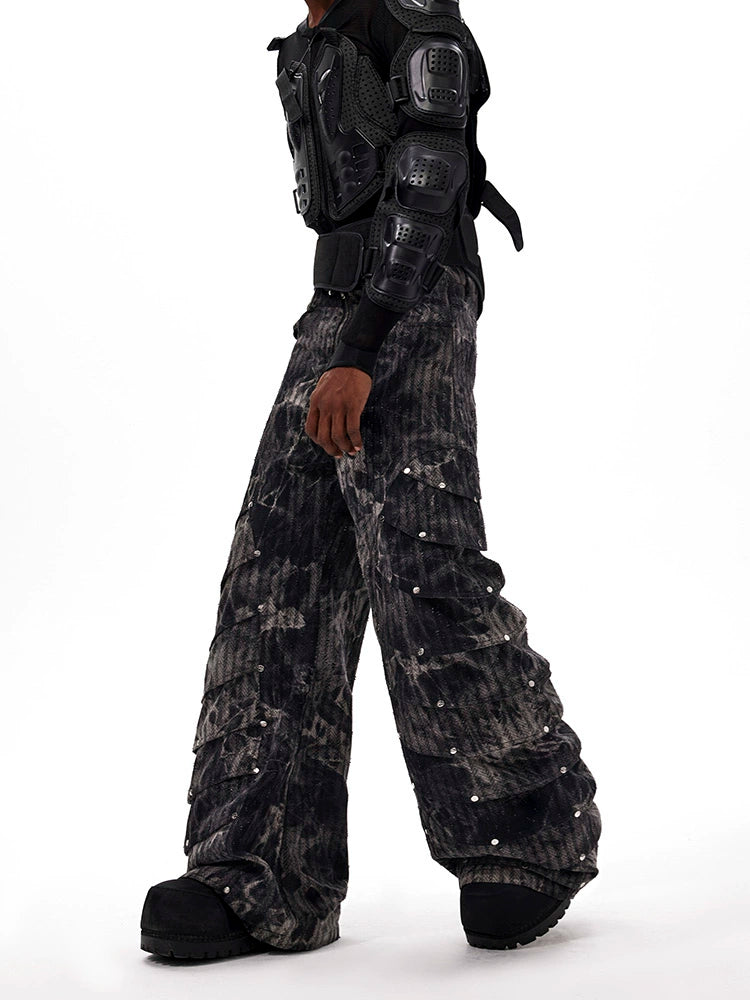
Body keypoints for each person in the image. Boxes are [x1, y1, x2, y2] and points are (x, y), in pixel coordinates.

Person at [140, 0, 601, 958]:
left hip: (411, 300)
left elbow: (432, 173)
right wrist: (341, 330)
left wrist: (363, 343)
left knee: (420, 559)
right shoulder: (319, 23)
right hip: (338, 305)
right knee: (279, 570)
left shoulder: (408, 12)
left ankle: (531, 833)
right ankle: (261, 875)